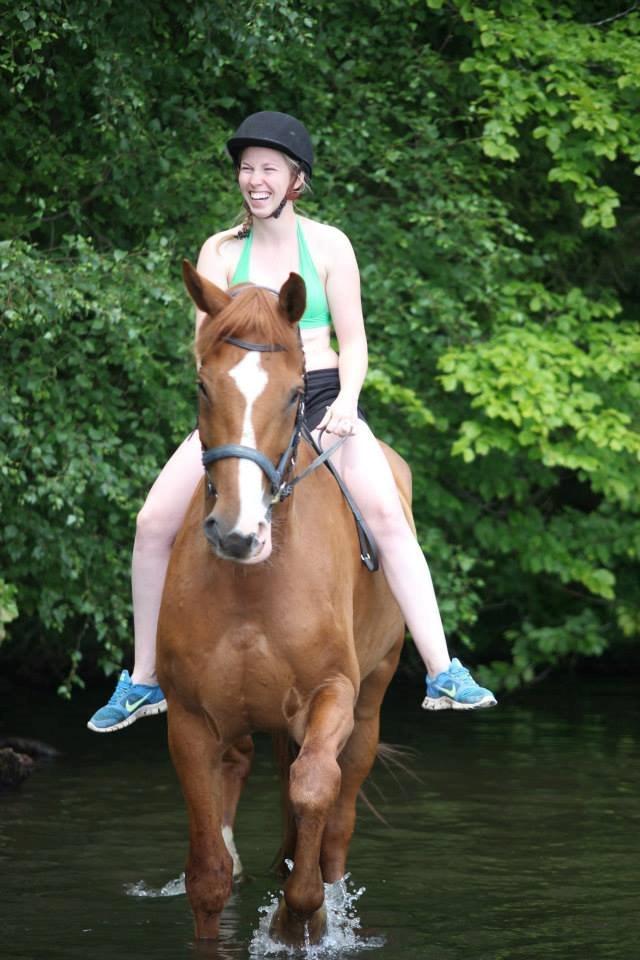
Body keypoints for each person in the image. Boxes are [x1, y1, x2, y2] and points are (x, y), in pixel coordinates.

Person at [87, 111, 496, 733]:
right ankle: (144, 679)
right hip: (244, 406)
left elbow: (353, 342)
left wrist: (349, 404)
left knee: (387, 515)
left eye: (269, 169)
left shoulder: (329, 245)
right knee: (151, 524)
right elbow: (209, 348)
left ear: (295, 179)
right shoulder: (220, 251)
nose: (255, 179)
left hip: (324, 399)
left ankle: (443, 669)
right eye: (247, 168)